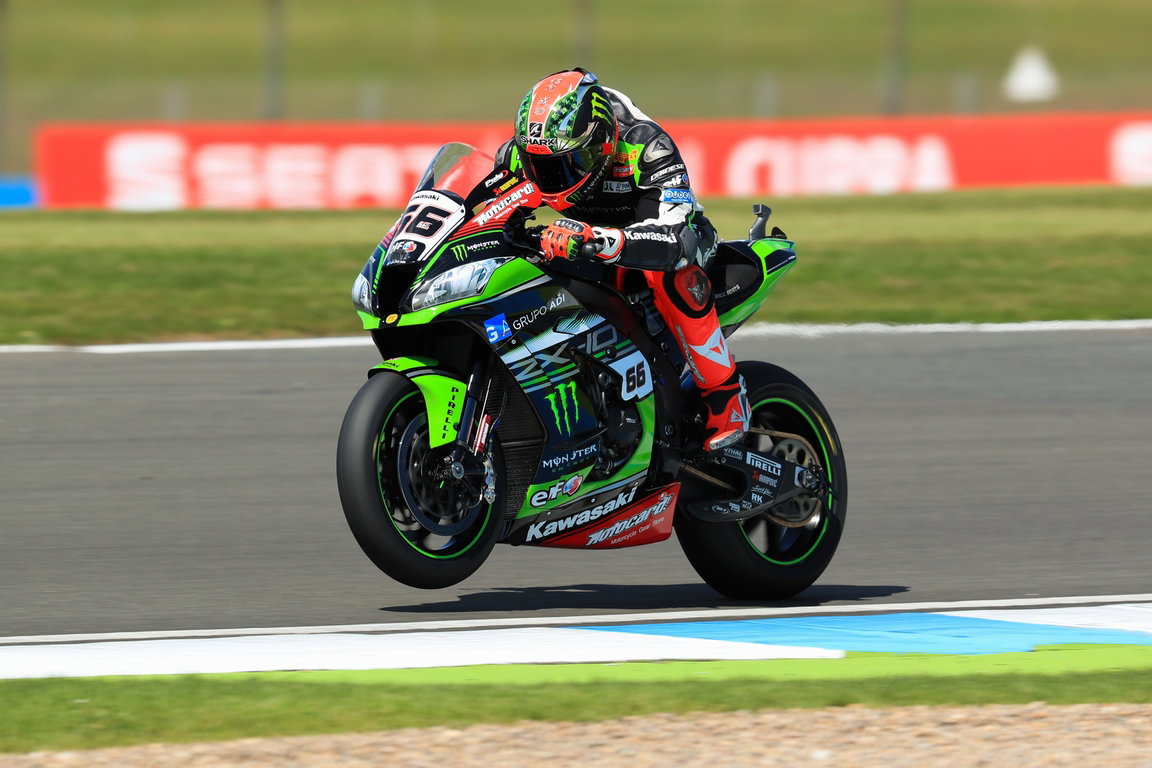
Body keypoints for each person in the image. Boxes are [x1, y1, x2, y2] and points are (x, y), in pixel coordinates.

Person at [492, 68, 749, 452]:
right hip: (586, 243)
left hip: (666, 240)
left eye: (565, 165)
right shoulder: (519, 155)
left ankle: (725, 396)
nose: (550, 179)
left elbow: (675, 237)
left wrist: (603, 238)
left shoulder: (646, 146)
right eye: (539, 166)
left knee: (669, 272)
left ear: (600, 143)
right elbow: (485, 215)